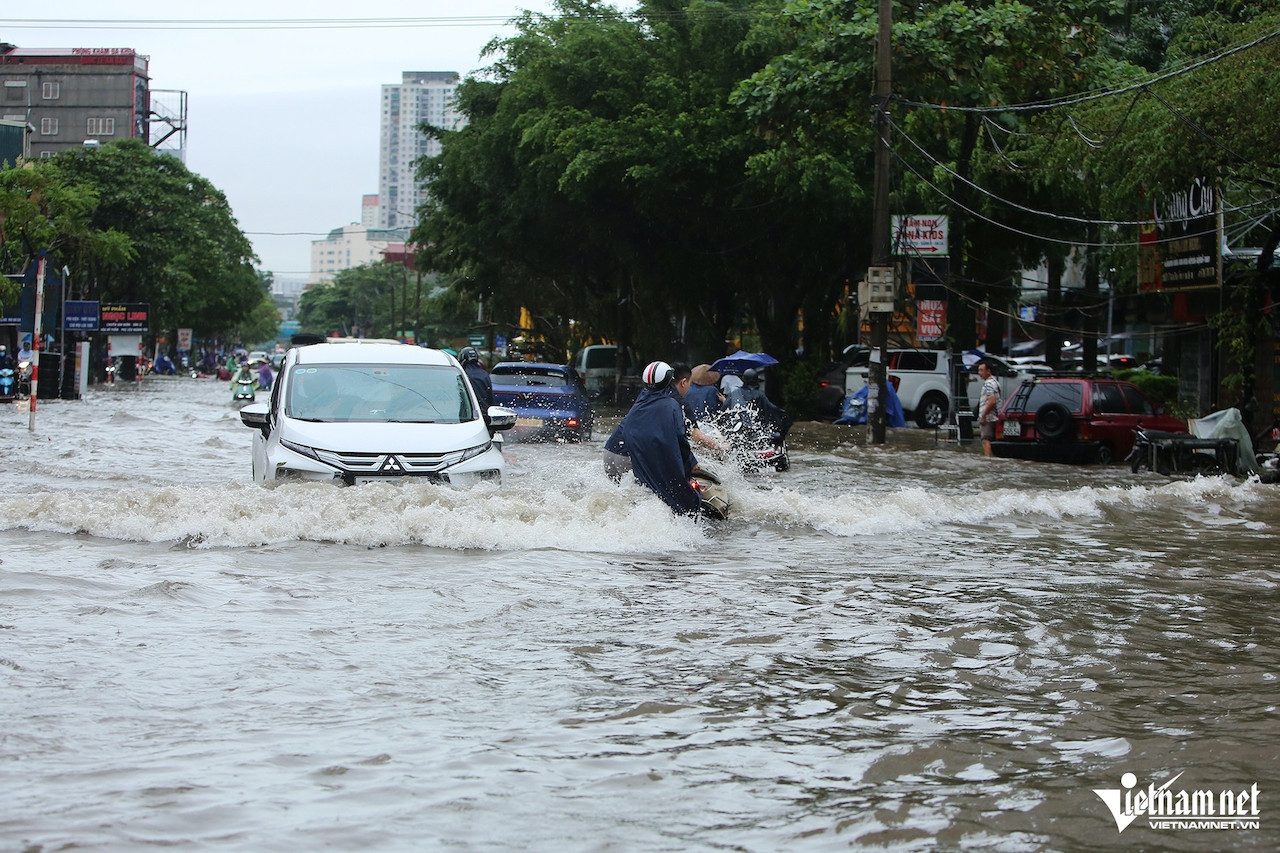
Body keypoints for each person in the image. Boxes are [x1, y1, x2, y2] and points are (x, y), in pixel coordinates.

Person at [604, 361, 703, 514]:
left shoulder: (642, 399)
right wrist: (690, 462)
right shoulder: (671, 404)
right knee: (653, 498)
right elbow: (678, 439)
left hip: (610, 453)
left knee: (625, 504)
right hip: (629, 457)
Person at [671, 363, 726, 452]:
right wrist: (720, 447)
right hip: (705, 427)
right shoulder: (713, 391)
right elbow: (716, 411)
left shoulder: (685, 391)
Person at [458, 346, 493, 415]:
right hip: (485, 414)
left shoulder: (463, 375)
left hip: (469, 415)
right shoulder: (485, 374)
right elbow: (490, 398)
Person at [977, 360, 1001, 456]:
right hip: (995, 416)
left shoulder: (988, 384)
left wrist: (983, 416)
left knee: (986, 441)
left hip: (988, 418)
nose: (979, 373)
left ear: (988, 371)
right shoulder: (995, 382)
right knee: (994, 443)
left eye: (982, 370)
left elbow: (992, 400)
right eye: (979, 370)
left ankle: (989, 462)